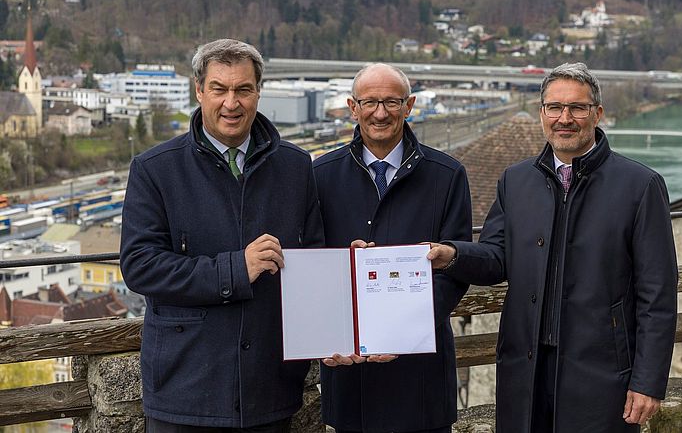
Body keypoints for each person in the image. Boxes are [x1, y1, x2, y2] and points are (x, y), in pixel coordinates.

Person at [427, 62, 678, 433]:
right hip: (525, 369)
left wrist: (647, 381)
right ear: (542, 113)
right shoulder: (516, 180)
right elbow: (497, 258)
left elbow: (657, 293)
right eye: (555, 107)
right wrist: (452, 255)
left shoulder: (640, 186)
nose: (566, 118)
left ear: (597, 114)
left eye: (577, 107)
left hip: (601, 372)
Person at [120, 39, 324, 432]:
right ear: (199, 90)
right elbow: (140, 267)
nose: (232, 102)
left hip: (269, 390)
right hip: (185, 392)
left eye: (243, 90)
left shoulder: (296, 167)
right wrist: (236, 269)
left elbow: (313, 260)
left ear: (258, 92)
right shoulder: (155, 170)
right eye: (219, 89)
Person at [312, 63, 472, 433]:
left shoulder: (447, 175)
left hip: (421, 374)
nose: (380, 113)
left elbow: (456, 268)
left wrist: (403, 329)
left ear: (410, 104)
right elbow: (312, 262)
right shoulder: (321, 175)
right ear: (353, 107)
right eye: (370, 102)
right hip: (351, 373)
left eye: (391, 102)